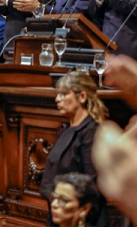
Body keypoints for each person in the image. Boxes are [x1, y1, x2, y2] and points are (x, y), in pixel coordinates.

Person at [40, 72, 107, 227]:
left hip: (81, 219)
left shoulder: (91, 132)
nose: (57, 99)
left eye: (63, 94)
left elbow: (92, 183)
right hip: (60, 213)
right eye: (57, 94)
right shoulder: (67, 129)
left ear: (82, 97)